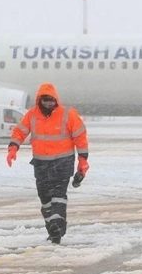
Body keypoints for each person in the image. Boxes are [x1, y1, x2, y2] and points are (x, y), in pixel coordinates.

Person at [6, 82, 88, 245]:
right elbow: (20, 131)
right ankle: (53, 228)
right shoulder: (32, 115)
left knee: (58, 196)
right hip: (41, 164)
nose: (49, 104)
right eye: (45, 100)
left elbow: (80, 138)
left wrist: (83, 160)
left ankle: (57, 226)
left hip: (63, 162)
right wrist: (13, 148)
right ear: (40, 100)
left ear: (56, 100)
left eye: (51, 100)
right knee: (45, 199)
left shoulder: (68, 114)